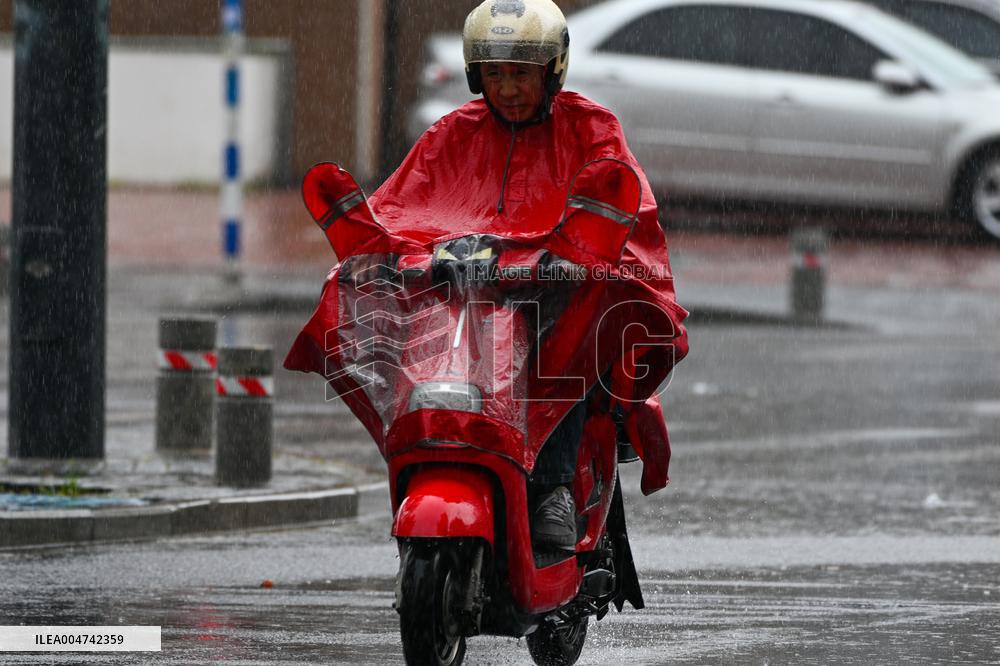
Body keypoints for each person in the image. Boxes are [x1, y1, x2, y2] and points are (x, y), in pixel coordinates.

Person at [368, 0, 688, 552]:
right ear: (476, 76)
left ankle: (554, 489)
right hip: (466, 299)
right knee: (418, 348)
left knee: (560, 355)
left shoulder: (592, 129)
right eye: (495, 74)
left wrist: (578, 257)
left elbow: (621, 205)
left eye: (522, 73)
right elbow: (398, 209)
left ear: (553, 71)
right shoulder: (452, 133)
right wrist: (378, 253)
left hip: (555, 301)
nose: (509, 88)